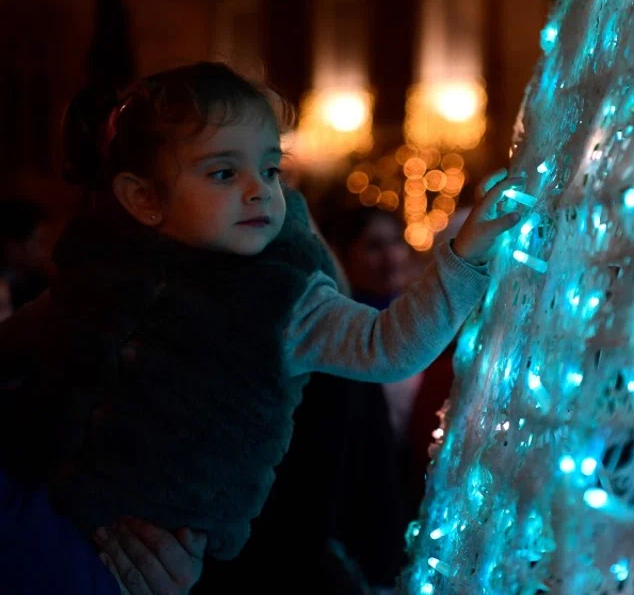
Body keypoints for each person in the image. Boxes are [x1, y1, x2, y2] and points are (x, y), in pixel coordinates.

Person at [0, 61, 521, 593]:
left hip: (154, 565)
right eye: (224, 173)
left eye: (270, 170)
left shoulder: (282, 297)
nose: (259, 191)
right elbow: (26, 339)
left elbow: (387, 345)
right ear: (144, 198)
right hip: (56, 521)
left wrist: (465, 256)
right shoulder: (102, 279)